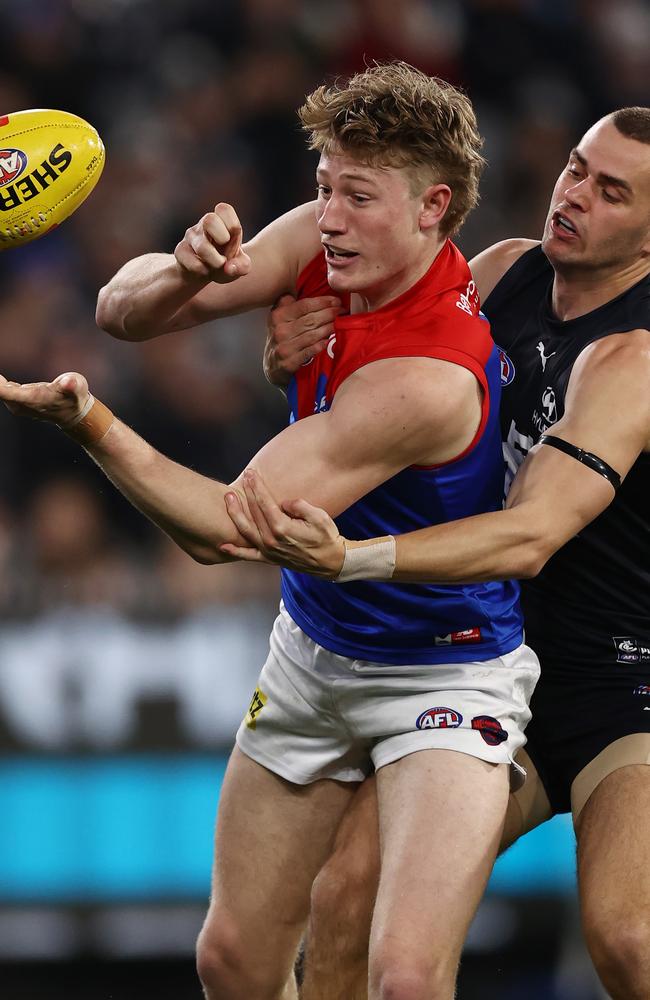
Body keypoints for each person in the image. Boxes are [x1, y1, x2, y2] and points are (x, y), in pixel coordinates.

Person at [0, 63, 540, 1000]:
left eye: (357, 196)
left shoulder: (428, 377)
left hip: (442, 671)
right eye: (324, 186)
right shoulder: (324, 243)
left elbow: (224, 531)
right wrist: (182, 271)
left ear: (433, 207)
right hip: (315, 651)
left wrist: (88, 423)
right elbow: (117, 314)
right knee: (234, 963)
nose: (329, 215)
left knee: (405, 977)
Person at [222, 106, 650, 1000]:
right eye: (577, 167)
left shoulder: (636, 355)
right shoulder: (499, 274)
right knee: (345, 900)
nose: (574, 196)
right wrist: (294, 356)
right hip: (490, 663)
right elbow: (387, 396)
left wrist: (355, 558)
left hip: (623, 688)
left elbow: (532, 534)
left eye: (612, 192)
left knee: (630, 938)